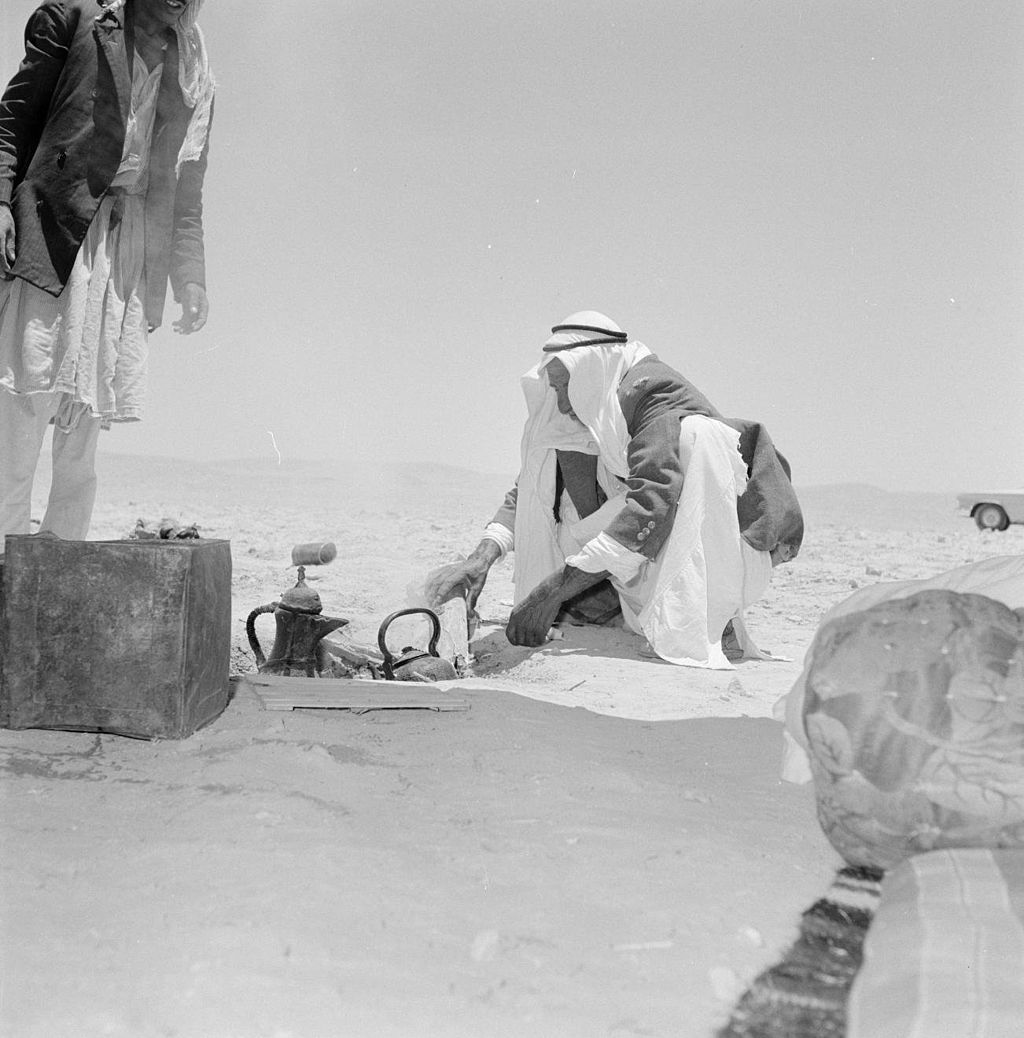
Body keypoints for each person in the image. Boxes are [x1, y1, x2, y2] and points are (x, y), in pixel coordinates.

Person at [427, 311, 804, 669]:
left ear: (591, 371)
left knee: (695, 439)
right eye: (554, 387)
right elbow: (524, 492)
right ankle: (603, 603)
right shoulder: (597, 407)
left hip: (733, 550)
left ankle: (706, 617)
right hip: (645, 555)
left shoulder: (655, 396)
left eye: (565, 386)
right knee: (554, 457)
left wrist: (553, 592)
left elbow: (650, 503)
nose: (560, 400)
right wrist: (480, 560)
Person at [0, 0, 216, 545]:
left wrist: (189, 275)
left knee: (85, 429)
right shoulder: (75, 22)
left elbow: (185, 188)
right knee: (24, 405)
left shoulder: (191, 73)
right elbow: (14, 118)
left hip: (127, 248)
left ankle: (59, 568)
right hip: (55, 232)